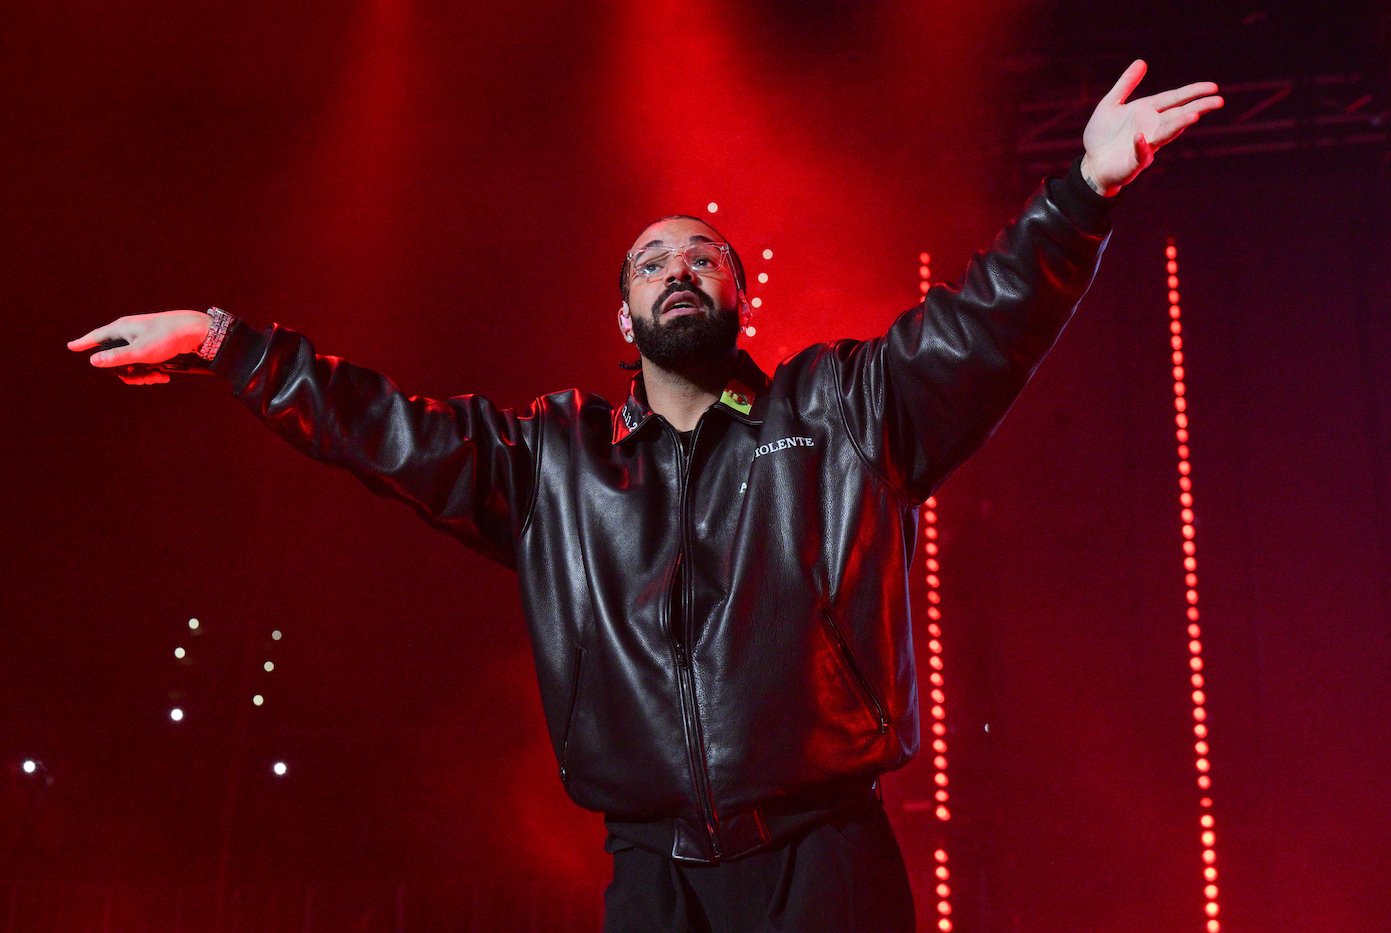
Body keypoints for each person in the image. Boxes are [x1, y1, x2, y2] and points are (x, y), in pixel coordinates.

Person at [67, 61, 1221, 933]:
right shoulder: (549, 460)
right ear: (622, 319)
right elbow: (380, 429)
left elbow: (986, 324)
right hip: (651, 873)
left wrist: (1080, 190)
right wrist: (223, 341)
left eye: (702, 256)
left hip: (824, 859)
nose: (678, 267)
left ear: (737, 299)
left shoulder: (844, 409)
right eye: (651, 261)